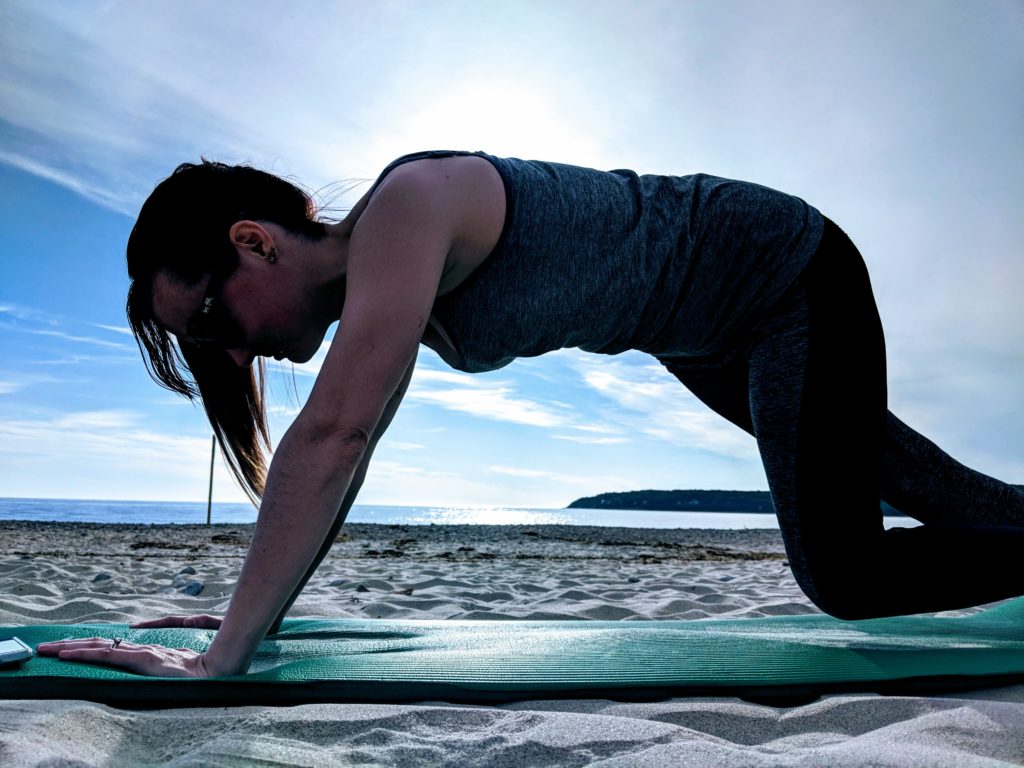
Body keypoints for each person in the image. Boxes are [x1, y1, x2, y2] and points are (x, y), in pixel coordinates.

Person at [38, 150, 1024, 677]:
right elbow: (349, 456)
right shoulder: (397, 296)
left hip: (779, 273)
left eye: (210, 321)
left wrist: (220, 661)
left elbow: (331, 434)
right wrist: (259, 615)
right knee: (941, 496)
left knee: (845, 571)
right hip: (721, 333)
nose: (232, 353)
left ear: (252, 241)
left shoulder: (410, 206)